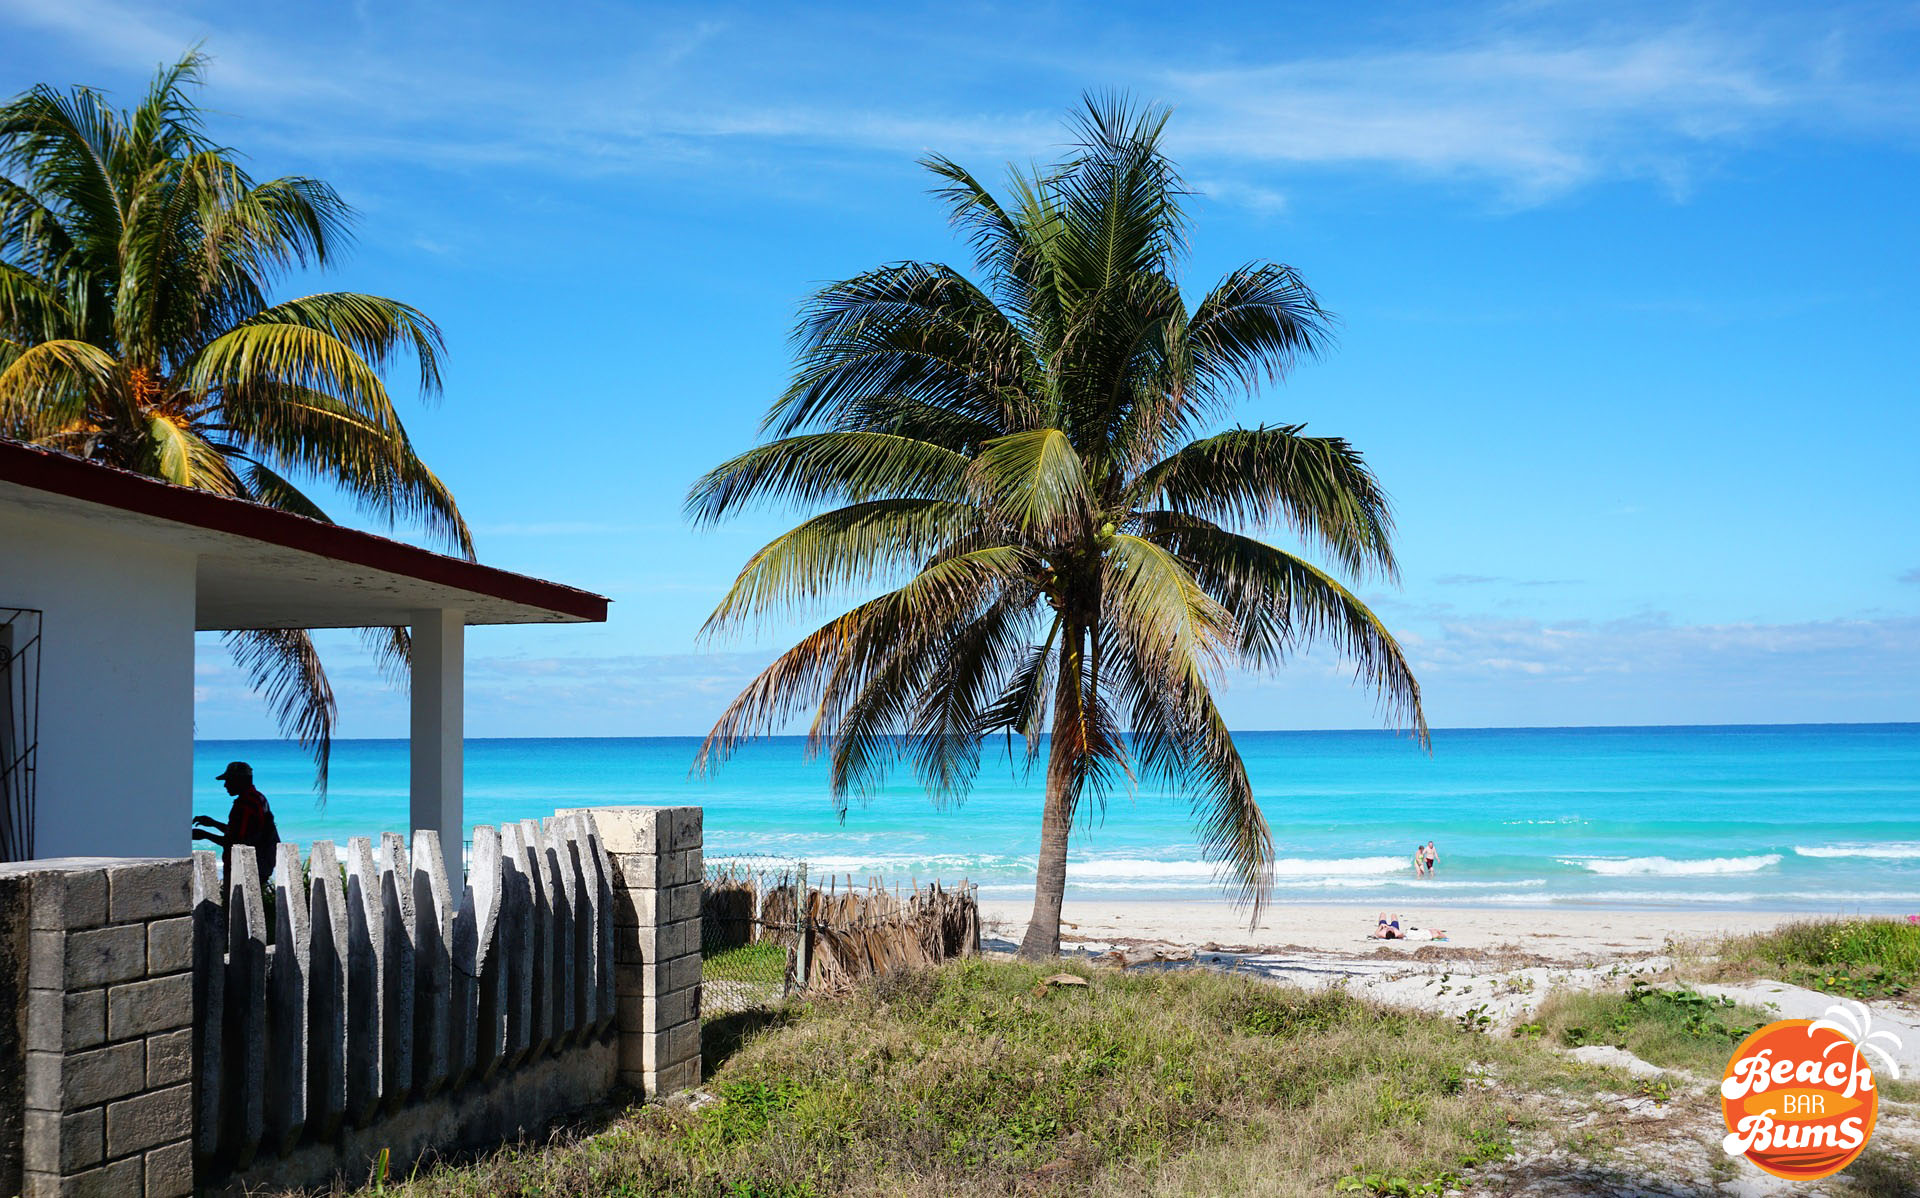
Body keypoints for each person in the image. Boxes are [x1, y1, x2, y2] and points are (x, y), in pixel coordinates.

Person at [191, 761, 280, 882]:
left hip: (244, 868)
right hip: (261, 863)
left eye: (228, 780)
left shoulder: (244, 805)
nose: (225, 785)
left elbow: (236, 842)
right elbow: (242, 831)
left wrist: (205, 835)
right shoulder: (259, 797)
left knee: (236, 901)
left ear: (239, 780)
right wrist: (213, 823)